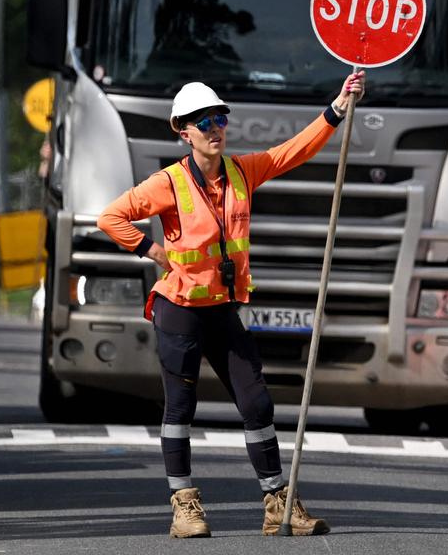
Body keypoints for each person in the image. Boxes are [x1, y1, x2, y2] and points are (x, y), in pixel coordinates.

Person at [97, 71, 364, 538]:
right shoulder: (168, 183)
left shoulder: (243, 171)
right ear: (183, 131)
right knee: (180, 406)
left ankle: (277, 503)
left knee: (256, 401)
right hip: (178, 309)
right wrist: (149, 249)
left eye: (220, 118)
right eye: (203, 122)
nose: (215, 127)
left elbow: (292, 152)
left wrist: (337, 108)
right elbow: (110, 216)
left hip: (222, 309)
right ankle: (184, 507)